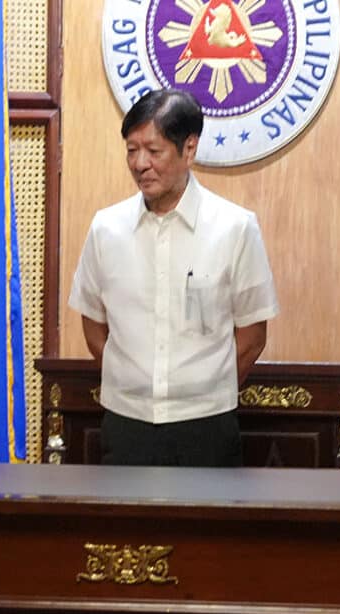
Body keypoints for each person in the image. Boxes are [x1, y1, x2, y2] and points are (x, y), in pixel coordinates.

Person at [69, 88, 279, 467]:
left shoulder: (235, 228)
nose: (140, 164)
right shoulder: (106, 229)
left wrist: (201, 394)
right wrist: (133, 383)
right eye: (132, 150)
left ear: (189, 149)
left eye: (154, 150)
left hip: (207, 429)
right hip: (125, 426)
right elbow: (93, 326)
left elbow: (251, 337)